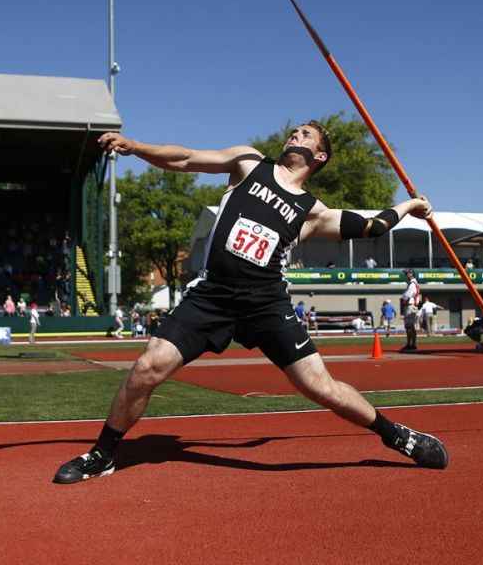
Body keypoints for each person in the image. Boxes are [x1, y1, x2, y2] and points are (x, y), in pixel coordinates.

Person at [53, 122, 447, 484]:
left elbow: (370, 226)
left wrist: (410, 206)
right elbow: (185, 158)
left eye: (306, 133)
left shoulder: (312, 211)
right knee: (146, 367)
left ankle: (397, 436)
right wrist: (135, 146)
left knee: (319, 386)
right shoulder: (249, 162)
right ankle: (102, 455)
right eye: (296, 130)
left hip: (266, 303)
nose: (296, 133)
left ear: (320, 156)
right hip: (213, 296)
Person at [400, 269, 422, 352]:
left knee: (410, 326)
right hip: (409, 306)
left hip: (410, 306)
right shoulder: (411, 284)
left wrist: (403, 294)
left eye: (407, 273)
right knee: (408, 326)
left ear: (412, 274)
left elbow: (406, 295)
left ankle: (412, 344)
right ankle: (410, 344)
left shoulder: (412, 284)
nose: (406, 275)